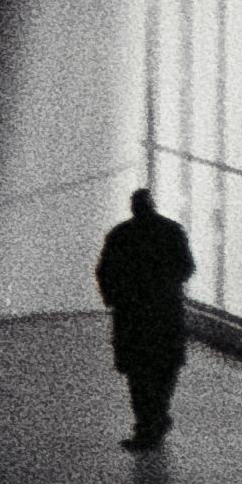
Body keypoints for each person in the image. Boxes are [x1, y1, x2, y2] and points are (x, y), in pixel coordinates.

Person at [95, 186, 196, 448]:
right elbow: (186, 268)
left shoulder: (120, 235)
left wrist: (116, 299)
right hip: (165, 312)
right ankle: (158, 417)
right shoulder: (172, 231)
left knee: (138, 375)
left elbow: (104, 272)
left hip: (132, 315)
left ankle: (146, 425)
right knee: (165, 368)